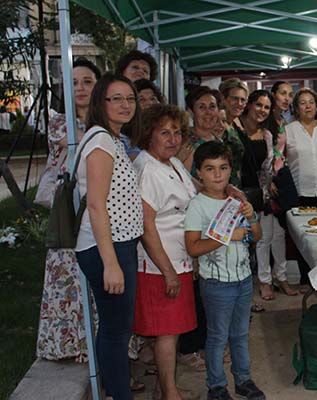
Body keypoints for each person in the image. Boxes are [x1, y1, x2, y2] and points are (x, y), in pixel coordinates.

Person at [74, 73, 144, 400]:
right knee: (116, 331)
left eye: (130, 98)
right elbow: (96, 204)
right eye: (116, 98)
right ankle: (118, 394)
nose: (125, 105)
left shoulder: (112, 139)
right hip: (106, 247)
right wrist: (111, 263)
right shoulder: (101, 141)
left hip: (117, 244)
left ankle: (116, 391)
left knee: (116, 327)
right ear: (100, 103)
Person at [184, 141, 265, 400]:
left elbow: (256, 237)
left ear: (231, 169)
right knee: (218, 337)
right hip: (217, 283)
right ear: (199, 173)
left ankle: (243, 379)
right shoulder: (197, 205)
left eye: (223, 167)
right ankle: (216, 386)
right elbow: (193, 247)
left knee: (240, 334)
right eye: (210, 169)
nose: (217, 174)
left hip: (243, 279)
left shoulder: (236, 200)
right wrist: (226, 236)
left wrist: (251, 217)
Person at [36, 58, 100, 362]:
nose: (81, 88)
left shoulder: (104, 122)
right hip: (69, 212)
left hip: (99, 209)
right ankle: (71, 345)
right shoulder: (60, 123)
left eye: (87, 81)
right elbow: (81, 146)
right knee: (68, 276)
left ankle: (96, 346)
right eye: (74, 82)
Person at [132, 104, 197, 400]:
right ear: (149, 134)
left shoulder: (171, 163)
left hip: (179, 260)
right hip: (159, 266)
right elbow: (146, 226)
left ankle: (165, 388)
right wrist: (168, 271)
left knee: (174, 330)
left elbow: (192, 188)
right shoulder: (147, 169)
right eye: (165, 133)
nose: (173, 139)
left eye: (177, 133)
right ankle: (170, 394)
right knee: (167, 333)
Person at [238, 90, 298, 301]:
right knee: (262, 238)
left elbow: (268, 165)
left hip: (266, 193)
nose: (262, 110)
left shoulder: (267, 134)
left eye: (266, 107)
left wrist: (270, 185)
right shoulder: (235, 130)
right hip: (243, 193)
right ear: (249, 105)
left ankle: (281, 276)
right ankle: (265, 281)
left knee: (278, 235)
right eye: (258, 105)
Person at [179, 86, 244, 187]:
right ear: (191, 112)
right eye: (202, 107)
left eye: (212, 106)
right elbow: (184, 182)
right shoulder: (186, 143)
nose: (208, 112)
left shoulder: (219, 140)